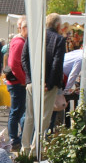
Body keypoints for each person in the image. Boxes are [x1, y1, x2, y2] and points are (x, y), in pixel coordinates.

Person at [21, 12, 67, 150]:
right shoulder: (59, 40)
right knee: (44, 118)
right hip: (48, 85)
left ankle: (25, 148)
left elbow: (24, 59)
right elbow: (57, 63)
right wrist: (50, 83)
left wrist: (31, 79)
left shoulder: (34, 36)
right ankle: (36, 150)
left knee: (29, 116)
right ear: (58, 25)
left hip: (32, 83)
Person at [5, 17, 29, 145]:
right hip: (17, 83)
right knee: (16, 111)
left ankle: (15, 138)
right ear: (24, 28)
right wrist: (23, 80)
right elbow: (14, 64)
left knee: (17, 111)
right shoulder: (19, 43)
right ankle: (13, 139)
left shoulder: (18, 42)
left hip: (17, 82)